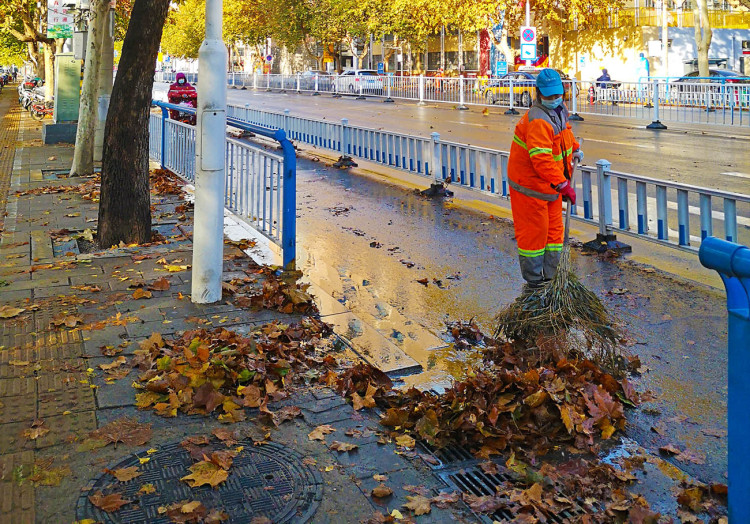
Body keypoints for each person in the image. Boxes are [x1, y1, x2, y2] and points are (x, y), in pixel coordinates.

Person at [507, 68, 582, 288]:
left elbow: (563, 134)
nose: (554, 99)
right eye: (548, 96)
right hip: (529, 186)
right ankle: (535, 283)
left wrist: (575, 149)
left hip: (549, 185)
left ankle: (552, 277)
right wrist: (563, 185)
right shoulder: (538, 120)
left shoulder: (559, 110)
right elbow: (541, 159)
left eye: (557, 94)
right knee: (534, 236)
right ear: (538, 93)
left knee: (554, 233)